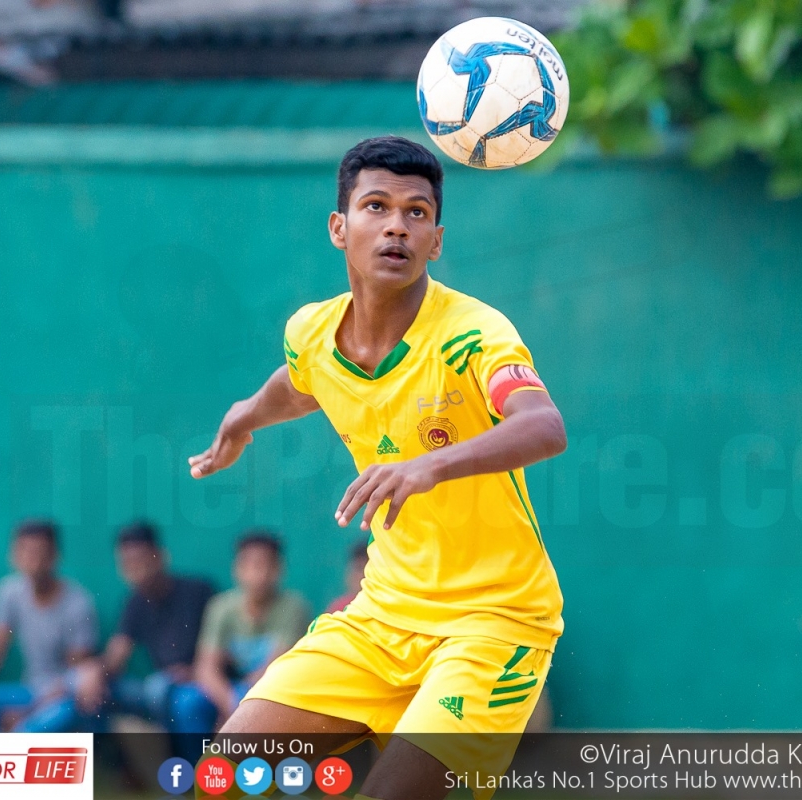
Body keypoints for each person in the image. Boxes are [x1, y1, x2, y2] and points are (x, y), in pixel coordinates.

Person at [188, 135, 567, 799]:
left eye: (417, 212)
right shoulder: (312, 332)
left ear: (436, 241)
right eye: (377, 206)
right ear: (339, 228)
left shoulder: (474, 334)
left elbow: (543, 425)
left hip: (493, 624)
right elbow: (299, 384)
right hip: (383, 616)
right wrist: (241, 419)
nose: (397, 226)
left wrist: (431, 465)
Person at [0, 520, 100, 732]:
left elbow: (78, 675)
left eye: (40, 553)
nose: (33, 562)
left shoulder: (78, 603)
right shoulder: (8, 593)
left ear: (55, 556)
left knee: (65, 712)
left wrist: (31, 711)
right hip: (26, 691)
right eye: (26, 552)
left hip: (61, 697)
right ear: (14, 556)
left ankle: (16, 743)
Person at [74, 522, 215, 733]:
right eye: (127, 563)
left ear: (160, 557)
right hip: (157, 688)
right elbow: (116, 657)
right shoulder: (135, 603)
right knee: (87, 687)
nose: (134, 569)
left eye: (140, 560)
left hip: (197, 683)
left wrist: (195, 671)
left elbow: (222, 649)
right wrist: (94, 671)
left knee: (185, 702)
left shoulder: (198, 591)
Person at [192, 532, 310, 728]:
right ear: (237, 568)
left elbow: (275, 669)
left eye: (268, 565)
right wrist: (230, 702)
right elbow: (206, 668)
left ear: (279, 569)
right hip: (230, 692)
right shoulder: (220, 607)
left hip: (274, 690)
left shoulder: (294, 607)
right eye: (253, 565)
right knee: (190, 703)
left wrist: (242, 706)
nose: (260, 574)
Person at [325, 540, 368, 614]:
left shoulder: (386, 605)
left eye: (367, 569)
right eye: (359, 568)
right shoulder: (339, 609)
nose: (363, 575)